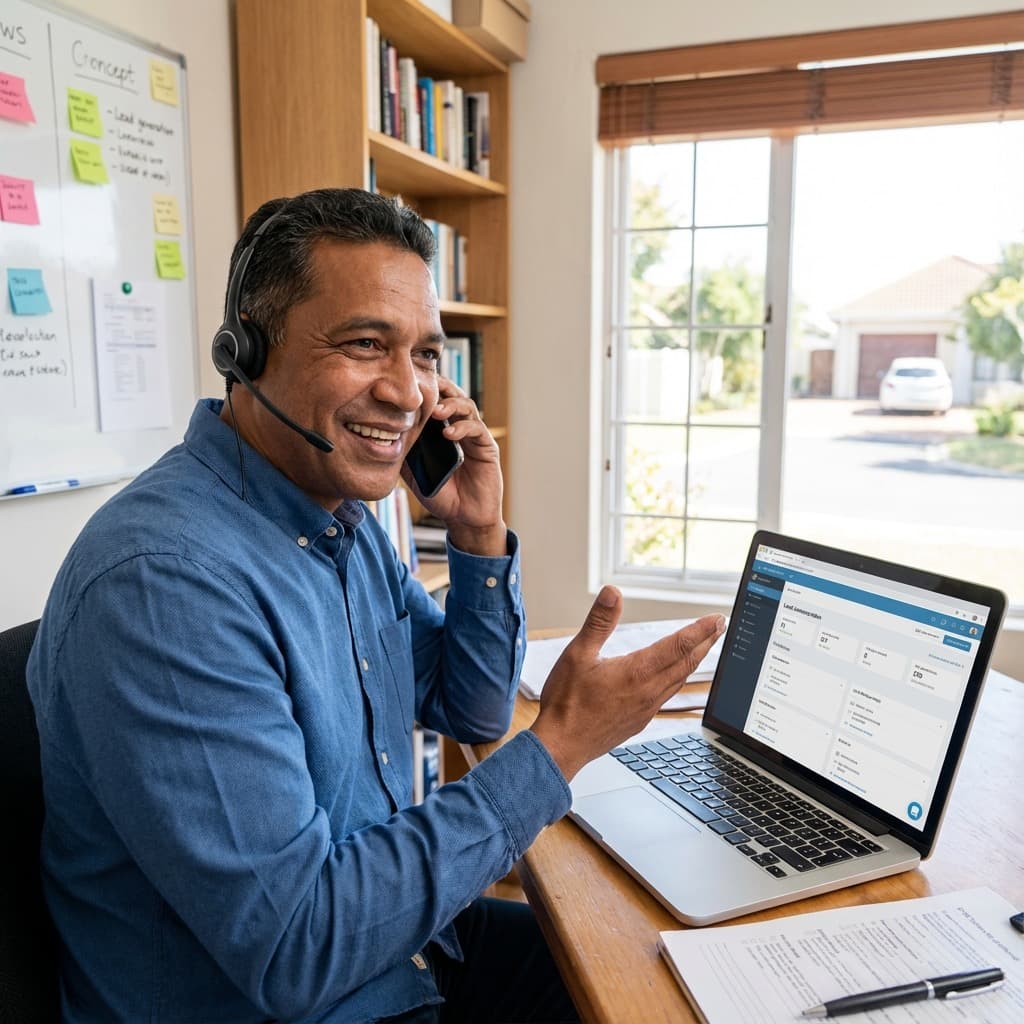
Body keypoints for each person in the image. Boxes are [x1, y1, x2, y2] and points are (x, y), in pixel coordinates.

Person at [27, 188, 724, 1024]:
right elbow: (298, 947)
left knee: (671, 981)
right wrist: (563, 744)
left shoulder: (338, 520)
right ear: (246, 347)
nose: (408, 393)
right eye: (365, 344)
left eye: (424, 354)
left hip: (400, 950)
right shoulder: (164, 584)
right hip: (297, 996)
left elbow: (469, 705)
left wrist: (477, 535)